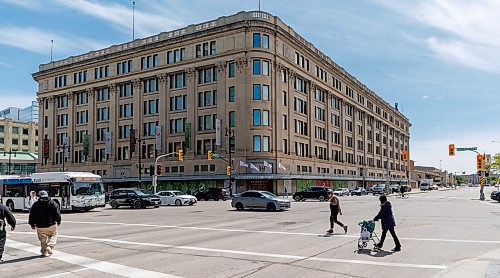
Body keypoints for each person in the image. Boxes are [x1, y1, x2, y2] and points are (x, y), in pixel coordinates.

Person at [28, 190, 61, 257]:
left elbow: (31, 215)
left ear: (39, 196)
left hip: (40, 226)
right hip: (51, 224)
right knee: (54, 235)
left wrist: (32, 224)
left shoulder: (36, 204)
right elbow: (57, 213)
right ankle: (50, 246)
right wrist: (58, 221)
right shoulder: (52, 203)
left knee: (43, 240)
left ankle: (44, 252)